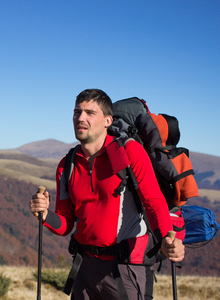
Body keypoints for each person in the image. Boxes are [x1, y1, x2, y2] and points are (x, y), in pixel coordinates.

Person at [30, 89, 185, 300]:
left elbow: (153, 202)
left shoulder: (128, 151)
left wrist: (168, 239)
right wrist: (45, 215)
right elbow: (65, 225)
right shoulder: (66, 165)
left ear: (107, 120)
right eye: (77, 112)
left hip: (126, 268)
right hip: (84, 268)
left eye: (90, 112)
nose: (80, 118)